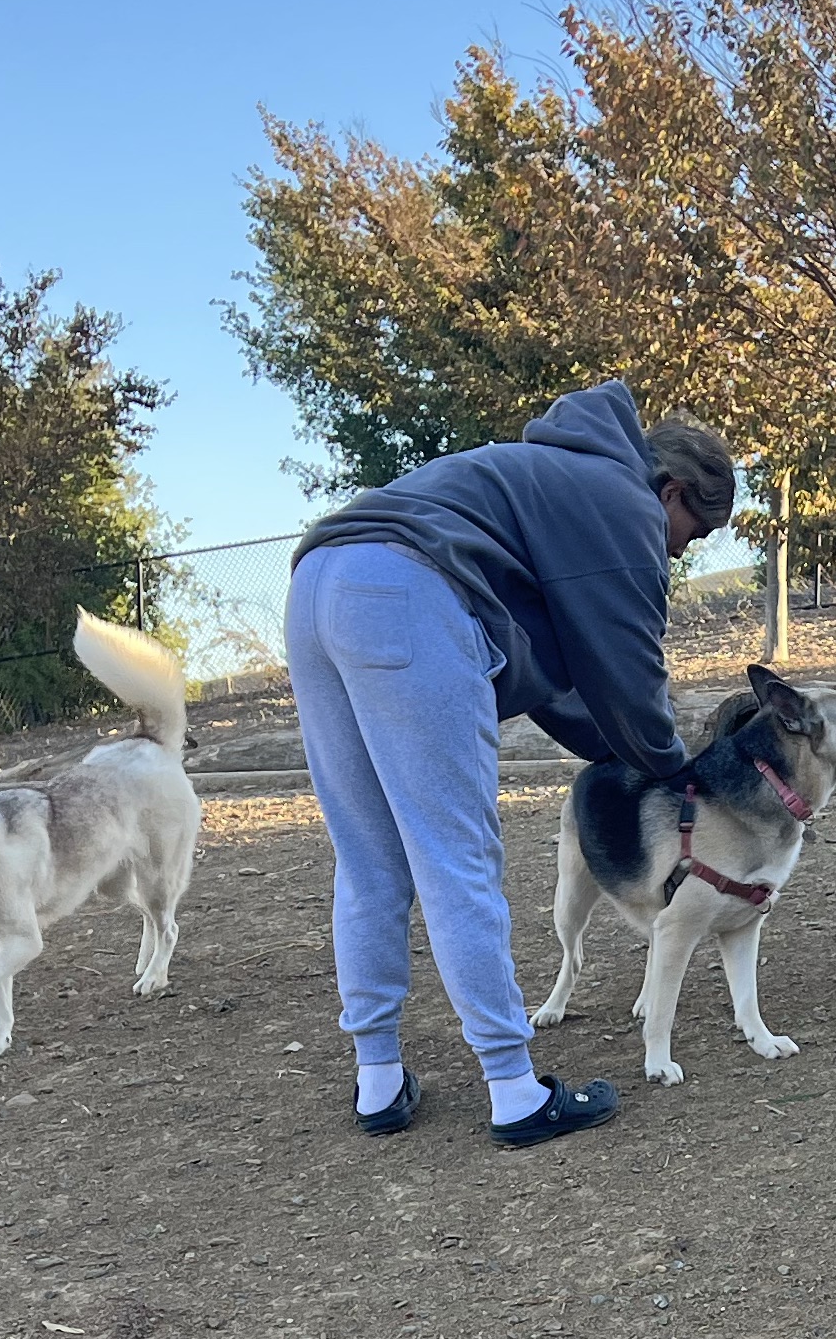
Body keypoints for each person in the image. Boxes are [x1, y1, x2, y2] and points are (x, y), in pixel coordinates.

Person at [282, 383, 734, 1143]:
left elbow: (561, 679)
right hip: (409, 592)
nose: (679, 554)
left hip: (318, 583)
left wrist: (623, 747)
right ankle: (514, 1090)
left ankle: (379, 1081)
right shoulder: (623, 505)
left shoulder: (551, 476)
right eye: (690, 533)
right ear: (673, 490)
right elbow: (629, 677)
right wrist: (677, 770)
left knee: (367, 855)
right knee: (455, 855)